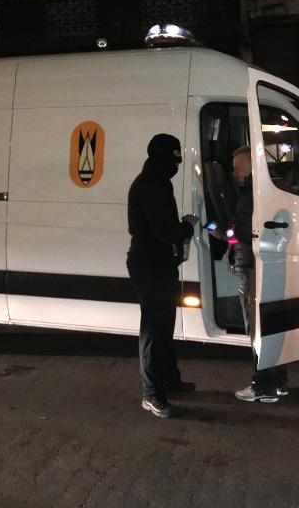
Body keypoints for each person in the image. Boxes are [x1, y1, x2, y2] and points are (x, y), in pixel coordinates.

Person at [127, 133, 197, 419]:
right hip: (150, 265)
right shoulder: (151, 185)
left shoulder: (156, 181)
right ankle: (152, 394)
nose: (177, 163)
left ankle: (169, 380)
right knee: (154, 331)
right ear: (162, 156)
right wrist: (187, 226)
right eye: (175, 157)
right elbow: (165, 231)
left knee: (164, 325)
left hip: (158, 263)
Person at [226, 146, 288, 403]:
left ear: (248, 166)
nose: (234, 173)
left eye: (237, 167)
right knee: (272, 326)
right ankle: (279, 382)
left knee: (257, 330)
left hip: (250, 268)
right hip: (268, 266)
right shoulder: (271, 190)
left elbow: (242, 232)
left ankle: (263, 386)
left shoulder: (249, 195)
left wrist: (225, 233)